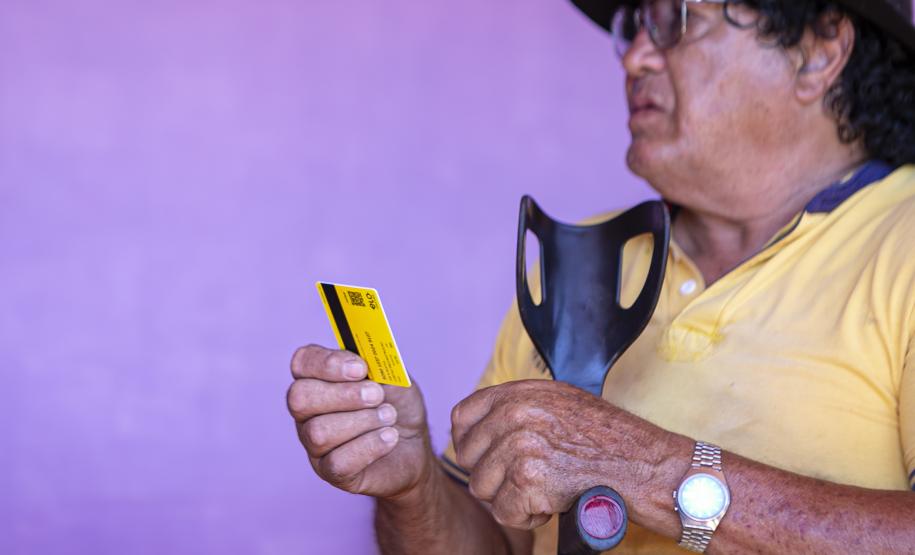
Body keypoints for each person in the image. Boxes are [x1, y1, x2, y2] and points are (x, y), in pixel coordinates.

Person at [287, 0, 915, 552]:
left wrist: (644, 467)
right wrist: (415, 486)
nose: (636, 57)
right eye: (633, 25)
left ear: (818, 50)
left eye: (675, 19)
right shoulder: (581, 257)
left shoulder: (901, 241)